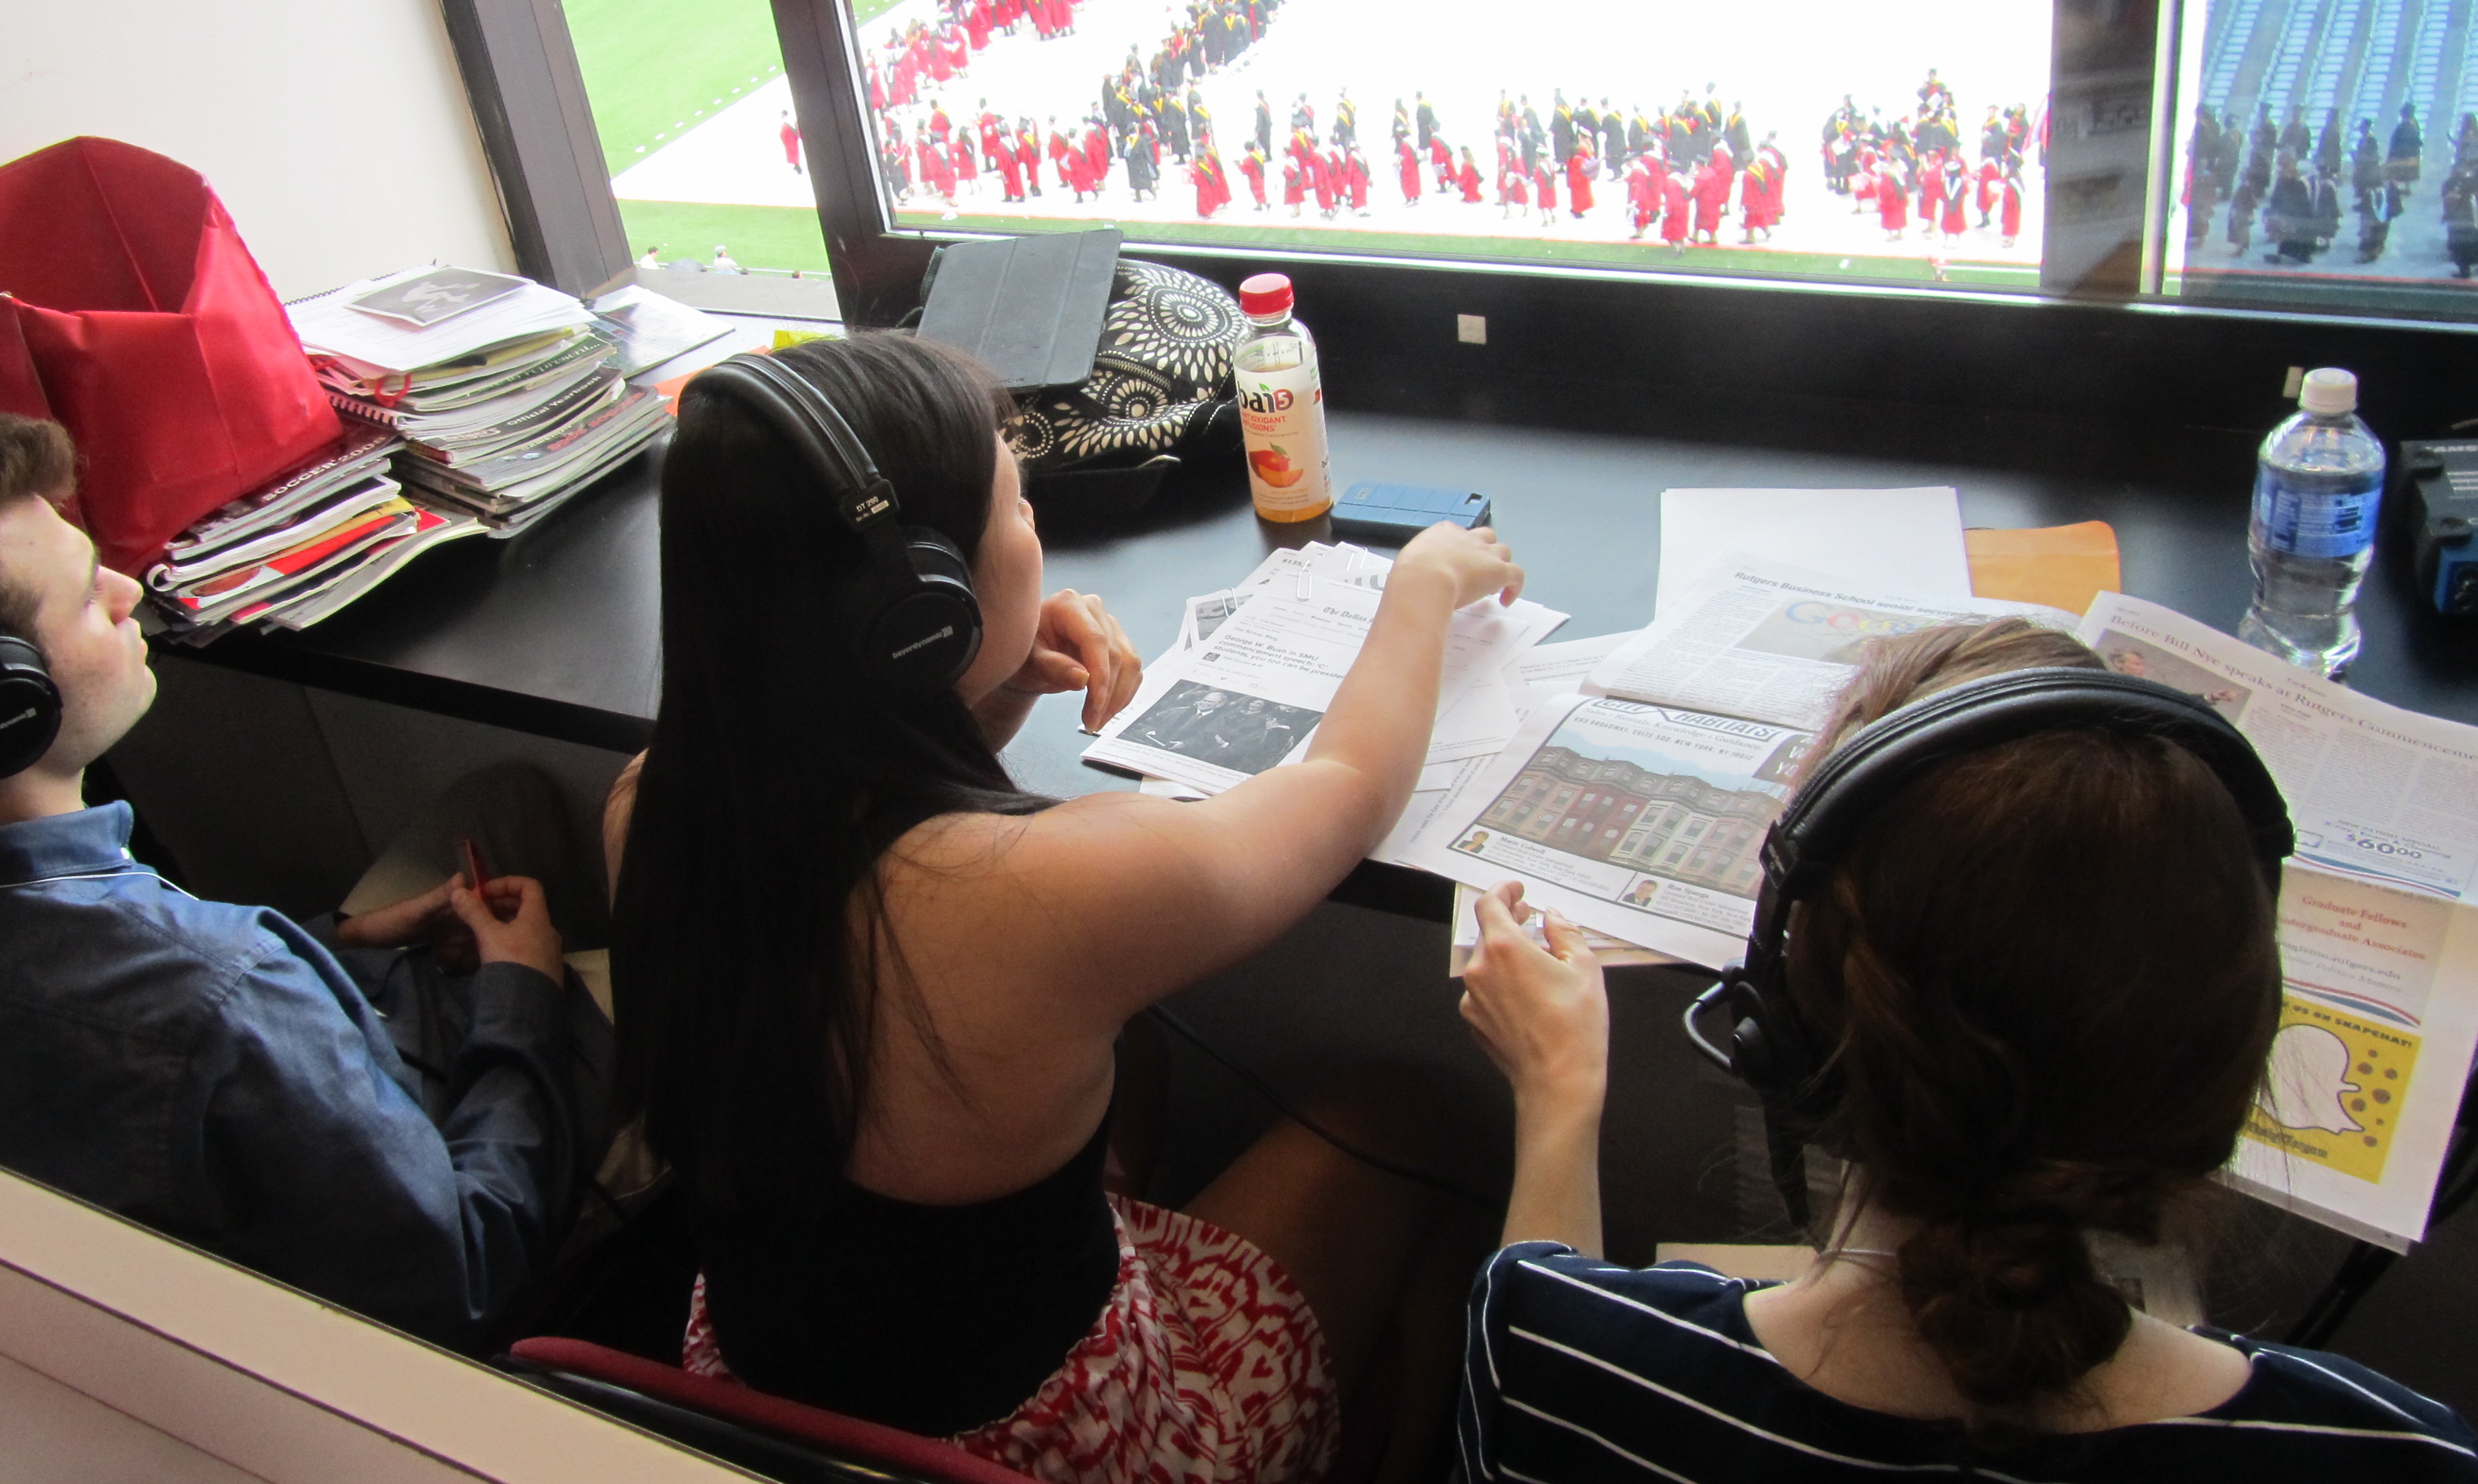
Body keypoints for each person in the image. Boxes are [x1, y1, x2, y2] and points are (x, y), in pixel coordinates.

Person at [609, 335, 1521, 1478]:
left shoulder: (653, 806)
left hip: (774, 1412)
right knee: (1412, 1118)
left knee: (1126, 1057)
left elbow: (869, 859)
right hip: (1067, 1455)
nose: (1036, 528)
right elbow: (1345, 788)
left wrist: (964, 693)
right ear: (920, 610)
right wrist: (1423, 585)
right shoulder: (1047, 892)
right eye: (1021, 504)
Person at [1452, 619, 2478, 1480]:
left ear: (1791, 1028)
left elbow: (1550, 1334)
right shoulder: (2416, 1459)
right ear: (2226, 1062)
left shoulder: (1546, 1352)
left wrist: (1557, 1098)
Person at [0, 416, 607, 1350]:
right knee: (688, 977)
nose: (127, 588)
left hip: (183, 1227)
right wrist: (523, 993)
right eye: (81, 597)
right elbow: (470, 1271)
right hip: (457, 1238)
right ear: (1, 706)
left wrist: (335, 948)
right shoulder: (221, 995)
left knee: (502, 800)